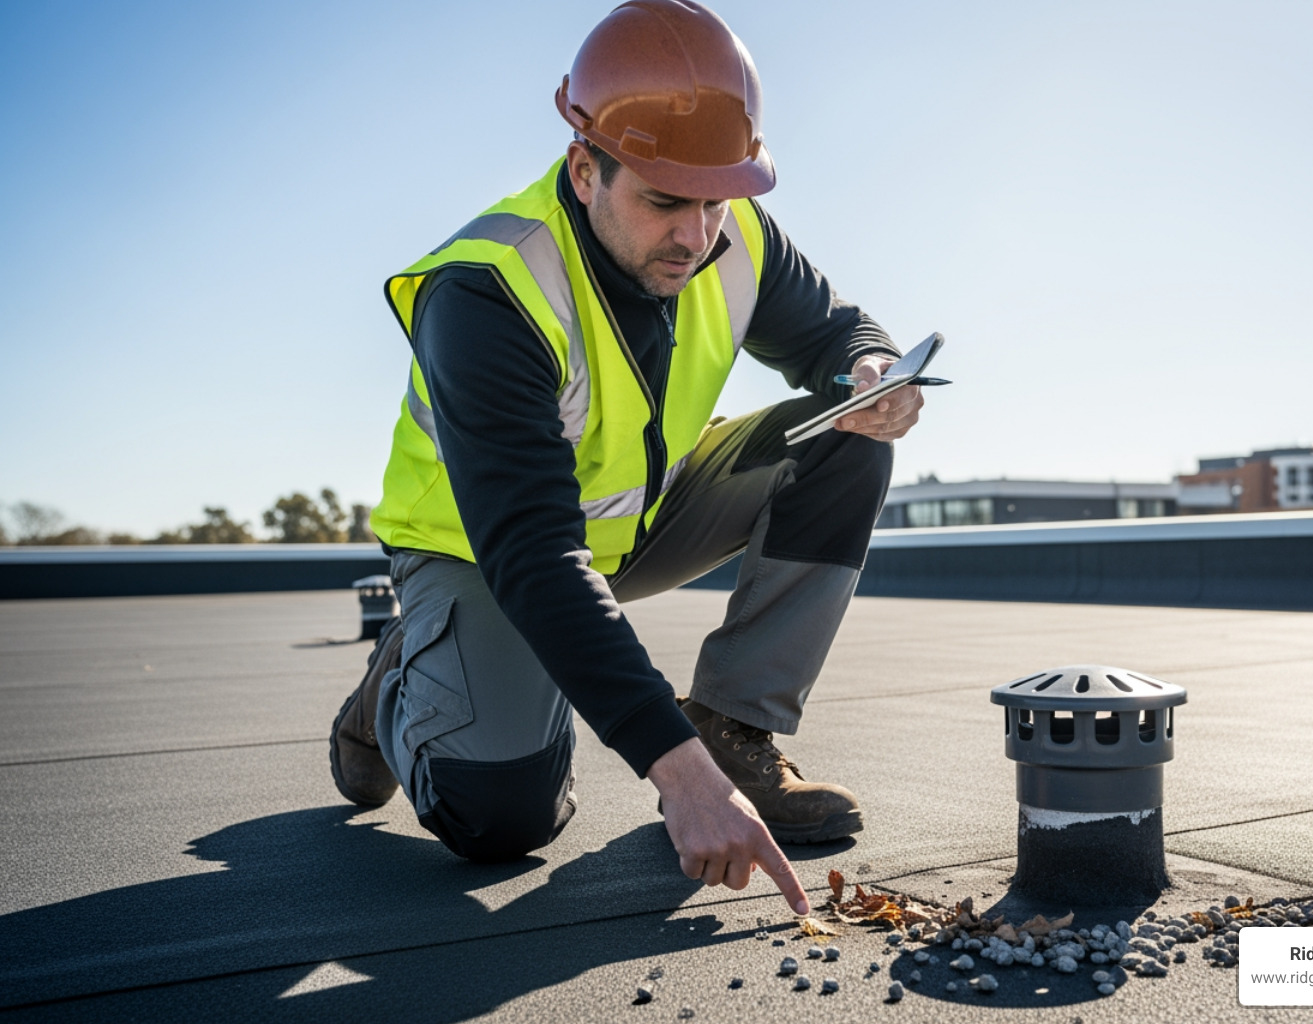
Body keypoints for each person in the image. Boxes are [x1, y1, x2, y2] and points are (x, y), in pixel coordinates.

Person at [328, 0, 924, 916]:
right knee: (502, 818)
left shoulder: (732, 233)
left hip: (642, 521)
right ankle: (401, 677)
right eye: (663, 201)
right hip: (481, 554)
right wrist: (677, 779)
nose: (696, 235)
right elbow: (531, 548)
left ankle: (735, 729)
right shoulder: (486, 290)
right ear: (584, 167)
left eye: (717, 201)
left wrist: (870, 371)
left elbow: (840, 330)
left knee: (840, 437)